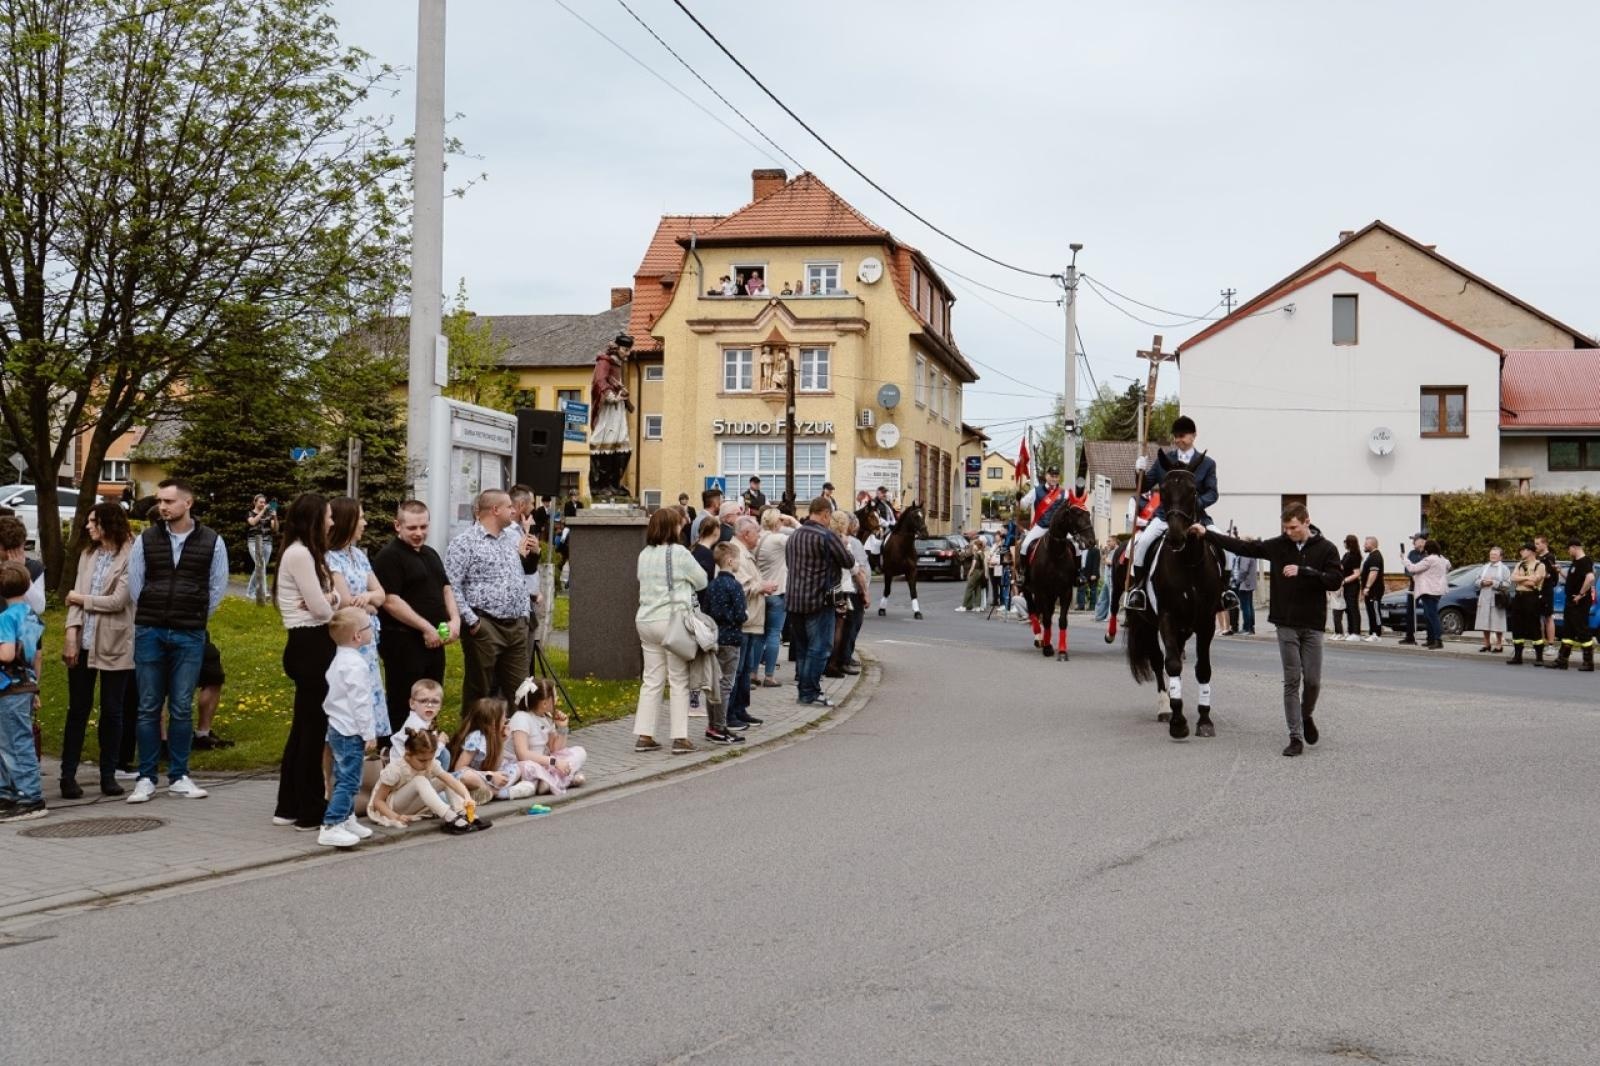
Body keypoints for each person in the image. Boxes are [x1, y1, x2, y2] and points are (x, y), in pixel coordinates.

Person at [1197, 502, 1343, 757]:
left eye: (1293, 527)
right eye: (1285, 527)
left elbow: (1334, 580)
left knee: (1312, 681)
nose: (1289, 532)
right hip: (1285, 622)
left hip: (1313, 624)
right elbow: (1244, 547)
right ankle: (1295, 736)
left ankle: (1306, 715)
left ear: (1307, 522)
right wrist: (1207, 533)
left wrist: (1304, 571)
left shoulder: (1326, 549)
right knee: (1291, 680)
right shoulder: (1278, 545)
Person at [125, 478, 227, 805]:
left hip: (188, 632)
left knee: (182, 706)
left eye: (169, 501)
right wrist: (156, 610)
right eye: (160, 501)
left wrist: (193, 614)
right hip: (150, 629)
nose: (163, 507)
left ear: (188, 503)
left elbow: (216, 588)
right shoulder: (147, 539)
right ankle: (146, 776)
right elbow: (136, 586)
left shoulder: (212, 541)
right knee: (148, 706)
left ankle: (180, 775)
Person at [271, 493, 340, 829]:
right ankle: (309, 806)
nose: (331, 522)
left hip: (309, 643)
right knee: (312, 731)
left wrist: (330, 598)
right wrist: (332, 598)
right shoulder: (300, 554)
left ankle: (289, 804)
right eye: (327, 516)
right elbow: (322, 609)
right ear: (314, 519)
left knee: (304, 728)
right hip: (310, 644)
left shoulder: (305, 553)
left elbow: (324, 602)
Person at [1125, 417, 1238, 613]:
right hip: (1164, 517)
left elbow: (1212, 492)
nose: (1179, 440)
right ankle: (1139, 589)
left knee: (1225, 547)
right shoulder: (1163, 461)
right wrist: (1139, 471)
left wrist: (1196, 503)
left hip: (1197, 517)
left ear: (1193, 436)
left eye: (1183, 436)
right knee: (1142, 544)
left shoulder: (1207, 464)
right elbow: (1143, 486)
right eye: (1176, 437)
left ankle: (1225, 591)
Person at [61, 503, 135, 799]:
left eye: (94, 522)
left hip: (116, 642)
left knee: (112, 711)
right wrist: (70, 633)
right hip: (84, 641)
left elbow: (119, 601)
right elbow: (75, 601)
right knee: (77, 710)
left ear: (109, 523)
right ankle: (67, 775)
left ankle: (109, 774)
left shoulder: (132, 555)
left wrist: (79, 598)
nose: (88, 527)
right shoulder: (87, 554)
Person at [372, 501, 460, 735]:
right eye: (412, 528)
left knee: (431, 698)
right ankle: (397, 753)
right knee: (405, 699)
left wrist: (454, 621)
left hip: (434, 642)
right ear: (397, 526)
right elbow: (390, 600)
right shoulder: (389, 557)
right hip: (403, 641)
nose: (419, 533)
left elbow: (446, 588)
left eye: (423, 527)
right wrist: (426, 627)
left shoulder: (431, 554)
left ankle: (427, 749)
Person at [446, 489, 533, 707]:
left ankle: (520, 736)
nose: (513, 511)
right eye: (508, 507)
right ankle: (473, 738)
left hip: (516, 626)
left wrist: (524, 614)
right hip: (485, 625)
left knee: (521, 692)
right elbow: (451, 585)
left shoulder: (513, 537)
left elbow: (519, 575)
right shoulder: (464, 543)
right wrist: (472, 621)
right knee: (480, 690)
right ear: (495, 510)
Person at [633, 507, 707, 755]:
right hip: (672, 621)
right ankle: (680, 737)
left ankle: (645, 735)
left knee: (651, 680)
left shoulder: (644, 554)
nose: (681, 528)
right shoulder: (680, 553)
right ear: (671, 528)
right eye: (678, 524)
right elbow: (702, 580)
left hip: (645, 619)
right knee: (678, 680)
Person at [326, 497, 388, 748]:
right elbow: (345, 602)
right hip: (350, 638)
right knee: (353, 696)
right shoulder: (331, 558)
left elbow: (381, 594)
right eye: (360, 517)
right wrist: (368, 604)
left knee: (368, 693)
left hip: (367, 638)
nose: (364, 522)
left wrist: (370, 600)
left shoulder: (359, 556)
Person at [786, 497, 855, 707]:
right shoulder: (827, 536)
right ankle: (809, 691)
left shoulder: (794, 535)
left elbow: (790, 563)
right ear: (825, 514)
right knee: (820, 647)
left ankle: (804, 691)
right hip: (819, 600)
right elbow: (848, 561)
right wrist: (844, 545)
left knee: (804, 647)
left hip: (794, 599)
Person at [318, 606, 377, 848]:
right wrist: (369, 733)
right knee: (350, 779)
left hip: (337, 726)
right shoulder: (356, 665)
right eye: (368, 626)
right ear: (357, 636)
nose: (371, 629)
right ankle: (332, 824)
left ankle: (347, 817)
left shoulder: (340, 659)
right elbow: (360, 702)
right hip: (351, 729)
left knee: (344, 774)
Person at [370, 728, 482, 834]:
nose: (427, 764)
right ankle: (449, 816)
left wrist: (467, 797)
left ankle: (462, 812)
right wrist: (395, 817)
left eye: (430, 759)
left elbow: (451, 781)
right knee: (420, 780)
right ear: (408, 753)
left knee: (444, 780)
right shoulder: (396, 769)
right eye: (422, 760)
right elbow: (378, 801)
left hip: (411, 806)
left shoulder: (429, 763)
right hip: (392, 808)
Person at [0, 562, 46, 822]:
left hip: (8, 686)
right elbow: (37, 655)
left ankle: (30, 796)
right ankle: (8, 792)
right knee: (12, 740)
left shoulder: (5, 618)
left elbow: (6, 654)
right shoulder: (31, 615)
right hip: (25, 684)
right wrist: (35, 687)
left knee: (14, 743)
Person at [726, 517, 775, 725]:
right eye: (756, 533)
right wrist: (761, 587)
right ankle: (730, 713)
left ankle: (740, 709)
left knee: (745, 669)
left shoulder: (744, 553)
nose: (759, 537)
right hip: (743, 620)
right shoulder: (736, 554)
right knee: (737, 670)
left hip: (750, 618)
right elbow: (739, 587)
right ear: (746, 534)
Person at [700, 542, 748, 745]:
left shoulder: (712, 585)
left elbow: (705, 610)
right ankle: (720, 726)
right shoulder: (735, 586)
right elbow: (740, 615)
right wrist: (743, 615)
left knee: (713, 684)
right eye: (738, 559)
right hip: (731, 640)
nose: (739, 563)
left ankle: (712, 725)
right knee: (726, 685)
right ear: (730, 560)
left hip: (714, 639)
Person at [508, 677, 588, 793]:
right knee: (529, 767)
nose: (557, 699)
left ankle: (547, 781)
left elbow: (555, 749)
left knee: (580, 752)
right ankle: (563, 780)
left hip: (544, 763)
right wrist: (554, 762)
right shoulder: (521, 718)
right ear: (545, 703)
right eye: (555, 696)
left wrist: (562, 727)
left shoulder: (546, 717)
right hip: (524, 764)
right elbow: (522, 755)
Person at [449, 697, 531, 802]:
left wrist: (501, 741)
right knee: (468, 777)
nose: (506, 720)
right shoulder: (476, 737)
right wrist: (490, 775)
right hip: (474, 776)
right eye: (504, 717)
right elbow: (460, 768)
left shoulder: (493, 738)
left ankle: (486, 792)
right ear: (493, 723)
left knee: (517, 768)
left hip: (487, 776)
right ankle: (500, 793)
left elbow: (495, 767)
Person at [755, 508, 798, 687]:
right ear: (777, 521)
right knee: (774, 634)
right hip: (777, 591)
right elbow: (802, 535)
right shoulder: (779, 539)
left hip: (759, 591)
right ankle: (769, 675)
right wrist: (793, 521)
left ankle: (752, 672)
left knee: (758, 635)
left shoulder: (757, 539)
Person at [827, 512, 870, 677]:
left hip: (832, 590)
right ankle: (839, 661)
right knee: (846, 626)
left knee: (835, 627)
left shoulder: (827, 538)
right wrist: (865, 592)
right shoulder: (848, 542)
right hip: (846, 590)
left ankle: (834, 661)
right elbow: (857, 569)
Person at [1553, 537, 1595, 671]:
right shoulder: (1575, 563)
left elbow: (1590, 578)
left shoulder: (1585, 561)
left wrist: (1581, 594)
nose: (1568, 551)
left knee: (1582, 630)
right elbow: (1573, 580)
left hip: (1579, 602)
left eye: (1569, 549)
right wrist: (1560, 572)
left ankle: (1588, 663)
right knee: (1568, 631)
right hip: (1570, 601)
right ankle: (1562, 660)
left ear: (1575, 547)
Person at [389, 678, 448, 766]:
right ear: (412, 704)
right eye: (423, 701)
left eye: (435, 702)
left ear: (440, 706)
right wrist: (441, 743)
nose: (429, 705)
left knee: (444, 754)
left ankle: (437, 778)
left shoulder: (426, 720)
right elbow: (425, 755)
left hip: (417, 764)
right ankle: (435, 779)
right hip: (404, 769)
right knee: (444, 754)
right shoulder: (416, 725)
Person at [1405, 540, 1451, 650]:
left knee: (1432, 615)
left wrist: (1404, 559)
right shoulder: (1442, 559)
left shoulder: (1429, 560)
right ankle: (1431, 640)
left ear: (1427, 549)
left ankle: (1438, 640)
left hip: (1428, 590)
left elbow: (1413, 568)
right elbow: (1449, 566)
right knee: (1429, 615)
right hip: (1438, 590)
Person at [1506, 542, 1547, 666]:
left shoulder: (1540, 565)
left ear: (1530, 551)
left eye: (1523, 550)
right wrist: (1526, 579)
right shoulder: (1519, 564)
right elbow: (1512, 578)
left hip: (1532, 597)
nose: (1521, 552)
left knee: (1534, 626)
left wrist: (1521, 579)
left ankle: (1539, 657)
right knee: (1517, 626)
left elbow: (1534, 582)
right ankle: (1518, 657)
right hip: (1519, 597)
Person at [1473, 546, 1511, 654]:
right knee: (1484, 622)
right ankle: (1487, 644)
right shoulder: (1484, 567)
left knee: (1498, 623)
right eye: (1491, 554)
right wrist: (1482, 582)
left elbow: (1507, 584)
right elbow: (1476, 580)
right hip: (1484, 597)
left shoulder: (1504, 569)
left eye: (1495, 554)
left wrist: (1493, 583)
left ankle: (1499, 645)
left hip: (1497, 599)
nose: (1492, 556)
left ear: (1500, 556)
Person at [244, 495, 278, 606]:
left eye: (264, 502)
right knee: (261, 564)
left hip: (267, 543)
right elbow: (253, 522)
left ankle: (250, 592)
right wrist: (263, 511)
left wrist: (275, 517)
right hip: (254, 541)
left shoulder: (269, 514)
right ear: (255, 502)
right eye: (261, 502)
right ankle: (264, 592)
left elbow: (275, 529)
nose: (263, 504)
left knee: (260, 566)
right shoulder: (250, 513)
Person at [1535, 535, 1560, 651]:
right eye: (1535, 544)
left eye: (1538, 544)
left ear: (1545, 544)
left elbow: (1550, 576)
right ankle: (1540, 644)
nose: (1536, 546)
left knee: (1548, 617)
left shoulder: (1549, 557)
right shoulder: (1536, 558)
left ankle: (1550, 645)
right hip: (1537, 590)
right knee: (1537, 617)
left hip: (1546, 591)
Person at [1359, 536, 1385, 641]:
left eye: (1366, 544)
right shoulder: (1371, 556)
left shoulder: (1376, 556)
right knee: (1370, 611)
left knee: (1375, 611)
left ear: (1372, 544)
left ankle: (1376, 634)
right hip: (1370, 590)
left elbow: (1373, 573)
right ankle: (1372, 632)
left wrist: (1367, 587)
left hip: (1374, 590)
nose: (1364, 546)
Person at [1232, 548, 1258, 635]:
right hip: (1250, 583)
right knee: (1249, 606)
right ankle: (1251, 627)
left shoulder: (1245, 554)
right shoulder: (1252, 553)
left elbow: (1243, 570)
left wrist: (1238, 581)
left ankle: (1247, 628)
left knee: (1245, 606)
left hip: (1245, 584)